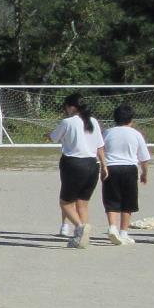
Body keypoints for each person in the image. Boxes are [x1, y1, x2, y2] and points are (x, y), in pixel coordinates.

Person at [46, 95, 104, 246]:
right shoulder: (93, 121)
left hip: (74, 164)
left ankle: (80, 227)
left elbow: (54, 137)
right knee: (83, 203)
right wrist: (104, 165)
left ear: (72, 107)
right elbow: (100, 146)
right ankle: (83, 237)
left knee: (65, 202)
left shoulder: (68, 122)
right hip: (93, 164)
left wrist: (47, 135)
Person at [99, 104, 152, 246]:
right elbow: (144, 157)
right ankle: (124, 232)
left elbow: (100, 150)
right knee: (128, 201)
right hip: (129, 168)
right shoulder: (136, 134)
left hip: (111, 167)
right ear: (131, 119)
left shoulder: (107, 132)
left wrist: (103, 166)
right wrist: (144, 173)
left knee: (111, 199)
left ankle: (112, 227)